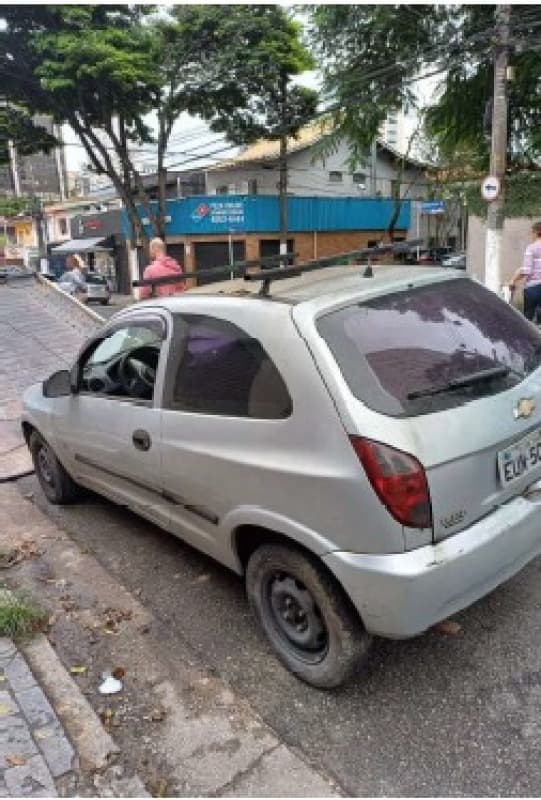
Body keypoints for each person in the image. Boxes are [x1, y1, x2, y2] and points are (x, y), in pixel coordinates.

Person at [509, 221, 541, 322]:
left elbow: (527, 270)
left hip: (533, 288)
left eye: (532, 232)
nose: (531, 234)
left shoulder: (531, 248)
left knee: (528, 320)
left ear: (536, 232)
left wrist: (513, 280)